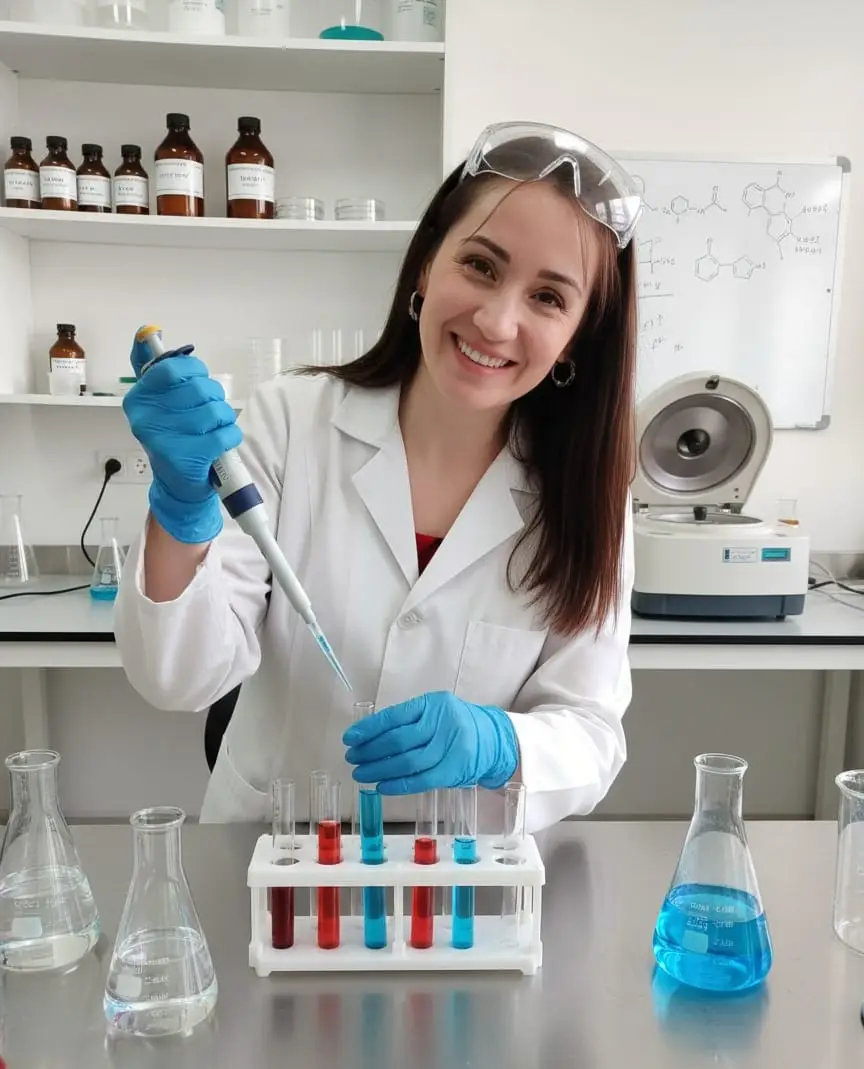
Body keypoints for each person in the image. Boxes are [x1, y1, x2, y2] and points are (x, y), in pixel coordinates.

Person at [114, 120, 643, 832]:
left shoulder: (588, 499)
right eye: (481, 266)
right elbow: (178, 676)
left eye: (549, 298)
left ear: (578, 336)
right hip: (276, 855)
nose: (496, 321)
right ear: (426, 265)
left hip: (461, 873)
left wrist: (502, 744)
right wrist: (182, 514)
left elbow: (592, 733)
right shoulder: (293, 420)